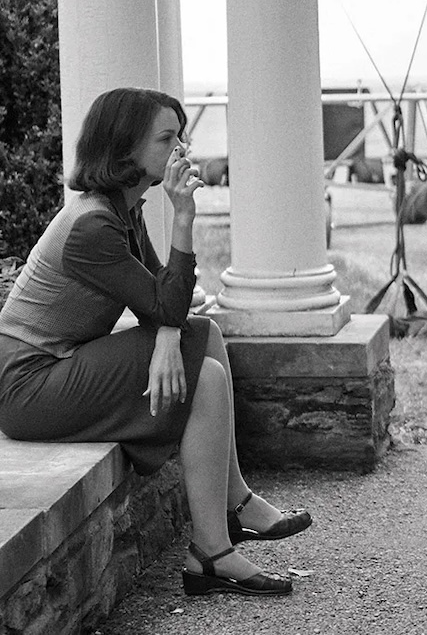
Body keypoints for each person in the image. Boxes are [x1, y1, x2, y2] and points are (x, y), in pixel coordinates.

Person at [0, 88, 311, 597]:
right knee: (203, 376)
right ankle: (210, 552)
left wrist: (170, 333)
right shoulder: (91, 227)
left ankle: (234, 502)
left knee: (203, 336)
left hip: (54, 365)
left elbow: (162, 301)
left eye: (180, 135)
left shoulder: (121, 210)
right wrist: (184, 219)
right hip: (28, 385)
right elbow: (164, 302)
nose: (181, 149)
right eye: (167, 138)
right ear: (125, 148)